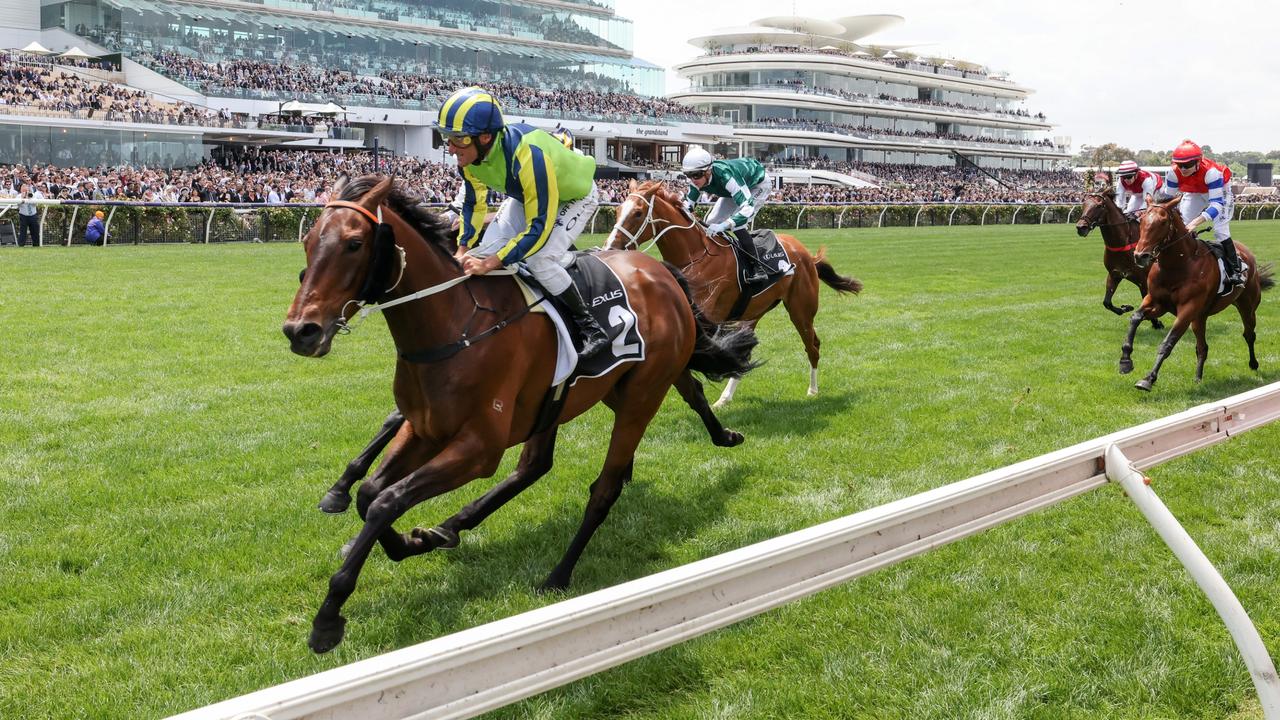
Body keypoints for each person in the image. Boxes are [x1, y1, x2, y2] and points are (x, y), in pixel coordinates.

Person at [435, 86, 608, 359]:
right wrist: (463, 248)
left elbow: (537, 227)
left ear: (485, 137)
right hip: (529, 195)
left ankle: (591, 328)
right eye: (447, 138)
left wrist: (492, 262)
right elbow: (473, 204)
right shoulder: (469, 157)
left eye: (458, 139)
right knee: (484, 251)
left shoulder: (529, 154)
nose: (451, 148)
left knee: (540, 260)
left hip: (576, 196)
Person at [1154, 139, 1242, 287]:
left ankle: (1235, 271)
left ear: (1198, 162)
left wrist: (1195, 223)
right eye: (1179, 164)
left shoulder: (1211, 172)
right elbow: (1166, 201)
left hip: (1218, 194)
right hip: (1193, 193)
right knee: (1182, 226)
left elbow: (1217, 205)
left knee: (1220, 231)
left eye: (1187, 165)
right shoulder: (1173, 173)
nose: (1183, 169)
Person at [681, 148, 771, 283]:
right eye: (688, 175)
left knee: (737, 224)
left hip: (757, 184)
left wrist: (725, 225)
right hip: (731, 191)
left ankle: (758, 268)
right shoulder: (696, 181)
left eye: (697, 175)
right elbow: (687, 206)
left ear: (708, 170)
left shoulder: (725, 175)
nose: (693, 180)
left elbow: (747, 207)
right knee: (710, 222)